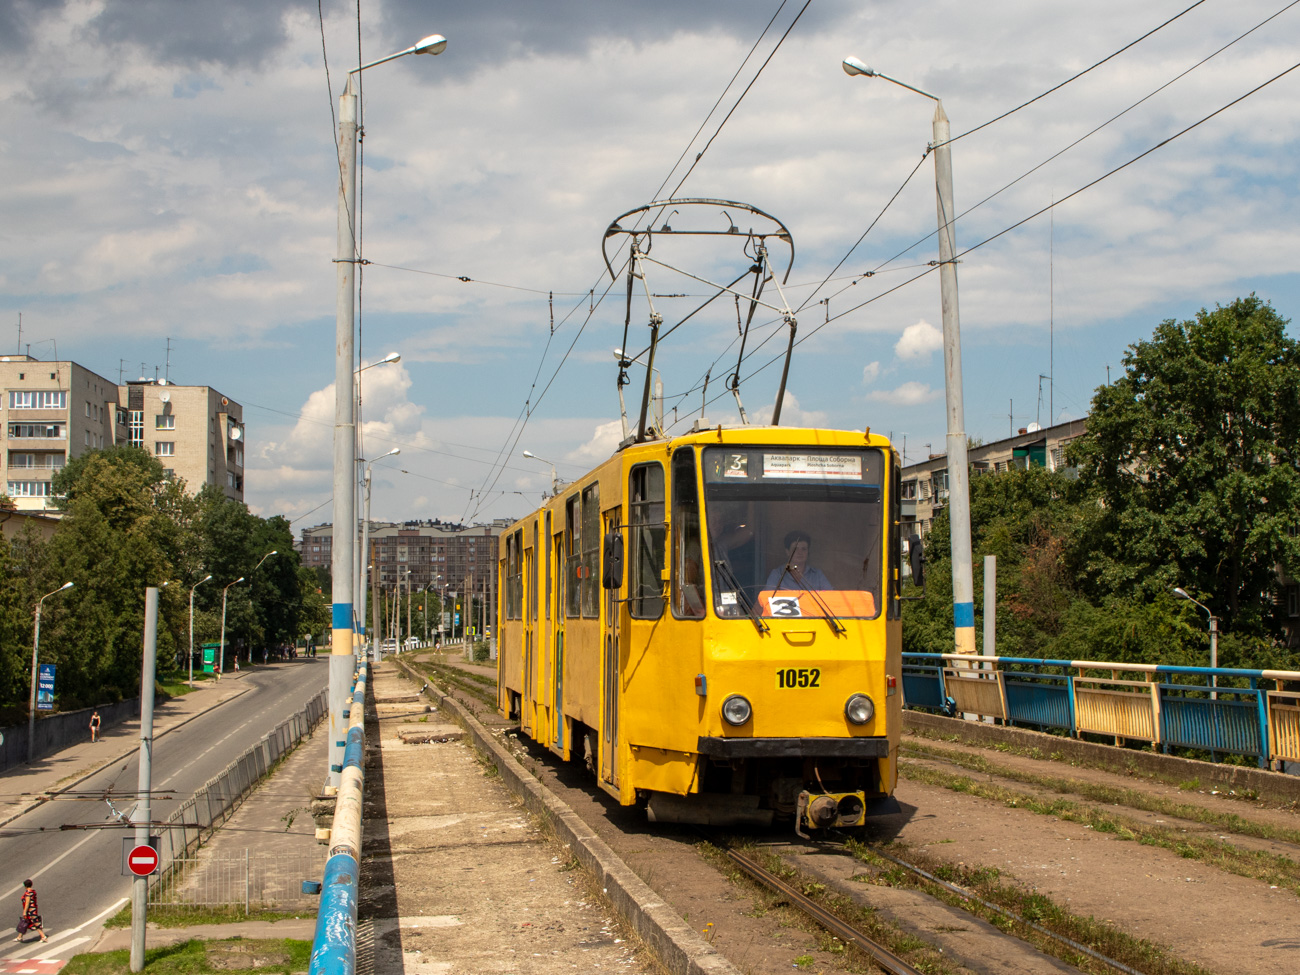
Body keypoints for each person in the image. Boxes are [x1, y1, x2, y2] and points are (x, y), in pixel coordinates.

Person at [765, 530, 833, 591]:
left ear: (808, 552)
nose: (800, 552)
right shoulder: (777, 574)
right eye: (795, 549)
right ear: (787, 552)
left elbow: (831, 597)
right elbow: (768, 599)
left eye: (803, 549)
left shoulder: (817, 575)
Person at [15, 880, 47, 944]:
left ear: (25, 886)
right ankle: (19, 937)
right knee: (25, 922)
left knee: (35, 923)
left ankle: (43, 937)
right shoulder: (33, 891)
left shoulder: (28, 893)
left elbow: (27, 903)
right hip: (33, 909)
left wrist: (24, 912)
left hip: (30, 911)